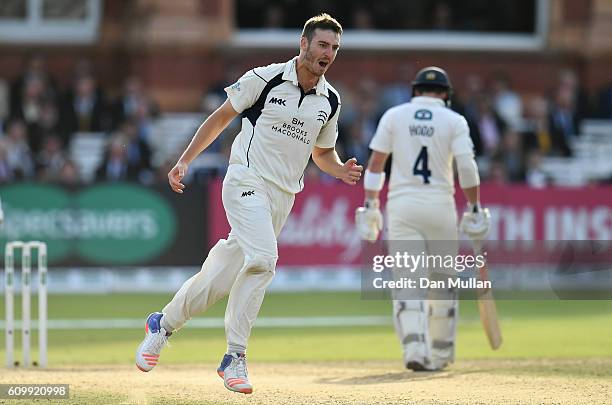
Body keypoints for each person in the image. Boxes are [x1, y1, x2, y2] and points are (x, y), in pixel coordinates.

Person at [135, 13, 362, 394]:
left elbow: (322, 153)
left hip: (282, 197)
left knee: (221, 277)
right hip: (245, 180)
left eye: (335, 48)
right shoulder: (265, 78)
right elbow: (221, 117)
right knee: (264, 260)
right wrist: (185, 159)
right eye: (323, 45)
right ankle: (234, 357)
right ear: (303, 44)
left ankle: (163, 323)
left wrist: (338, 170)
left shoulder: (331, 100)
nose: (329, 54)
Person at [355, 67, 490, 371]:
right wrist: (475, 207)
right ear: (445, 94)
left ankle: (415, 349)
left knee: (407, 282)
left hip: (403, 207)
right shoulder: (455, 121)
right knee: (443, 283)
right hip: (440, 207)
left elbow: (376, 164)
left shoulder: (394, 115)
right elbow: (467, 168)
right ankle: (441, 353)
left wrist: (371, 204)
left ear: (416, 91)